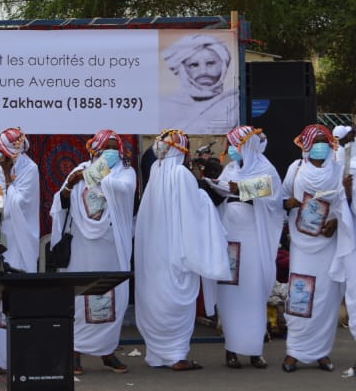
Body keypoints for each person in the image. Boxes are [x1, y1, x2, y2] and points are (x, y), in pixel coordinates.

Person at [134, 128, 230, 370]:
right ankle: (177, 356)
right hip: (178, 252)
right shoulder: (182, 175)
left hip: (155, 252)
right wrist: (206, 196)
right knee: (177, 300)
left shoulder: (155, 171)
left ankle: (157, 354)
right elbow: (195, 212)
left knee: (158, 298)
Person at [50, 129, 135, 375]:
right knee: (79, 298)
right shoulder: (80, 168)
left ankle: (107, 352)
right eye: (105, 147)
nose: (109, 152)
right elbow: (60, 202)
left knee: (113, 297)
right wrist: (71, 184)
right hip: (82, 247)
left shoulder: (125, 171)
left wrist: (94, 176)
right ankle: (75, 353)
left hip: (111, 246)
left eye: (113, 147)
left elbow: (125, 189)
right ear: (94, 149)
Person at [280, 124, 353, 373]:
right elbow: (282, 196)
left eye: (325, 141)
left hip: (328, 243)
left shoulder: (337, 169)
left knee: (326, 299)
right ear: (307, 145)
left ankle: (322, 353)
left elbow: (344, 204)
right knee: (300, 296)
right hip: (302, 244)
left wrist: (335, 221)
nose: (321, 146)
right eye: (317, 141)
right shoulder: (296, 169)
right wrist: (288, 202)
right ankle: (294, 352)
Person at [212, 126, 284, 370]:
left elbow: (273, 200)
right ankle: (231, 349)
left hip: (253, 236)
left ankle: (255, 351)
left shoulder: (266, 169)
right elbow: (220, 192)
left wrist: (240, 189)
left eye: (235, 145)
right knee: (230, 292)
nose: (232, 150)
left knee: (252, 293)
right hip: (230, 235)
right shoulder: (230, 168)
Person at [0, 127, 39, 377]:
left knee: (17, 298)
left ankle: (20, 354)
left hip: (19, 244)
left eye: (3, 154)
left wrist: (9, 179)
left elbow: (18, 204)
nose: (0, 158)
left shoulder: (29, 170)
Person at [160, 34, 237, 134]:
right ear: (182, 68)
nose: (203, 72)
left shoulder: (233, 102)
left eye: (210, 63)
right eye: (194, 65)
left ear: (223, 65)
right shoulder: (166, 105)